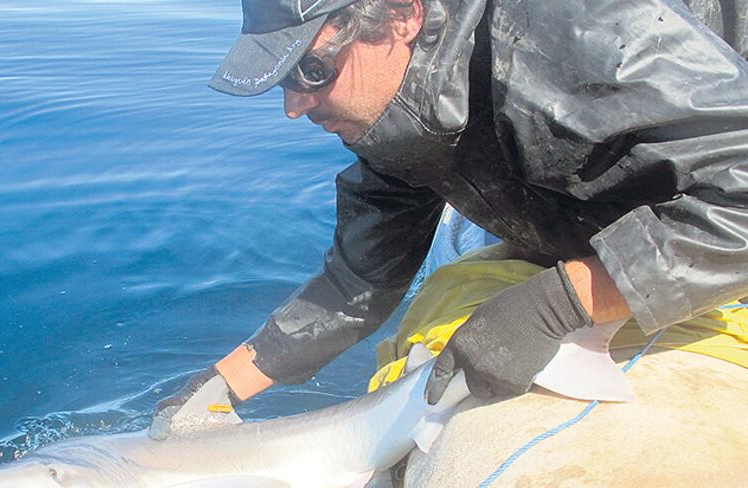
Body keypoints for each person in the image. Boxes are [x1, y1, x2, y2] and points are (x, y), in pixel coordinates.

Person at [150, 0, 748, 438]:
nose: (293, 105)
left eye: (311, 71)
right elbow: (362, 279)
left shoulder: (582, 33)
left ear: (402, 16)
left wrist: (557, 307)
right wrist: (222, 386)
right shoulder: (387, 113)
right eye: (282, 78)